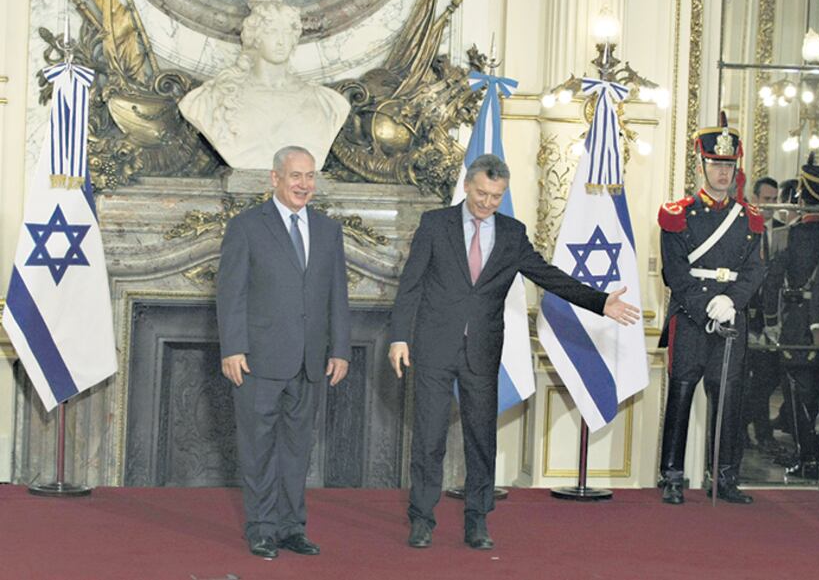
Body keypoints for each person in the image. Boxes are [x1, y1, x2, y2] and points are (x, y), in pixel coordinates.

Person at [388, 154, 640, 550]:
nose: (488, 203)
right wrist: (399, 337)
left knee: (481, 440)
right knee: (429, 438)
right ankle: (421, 519)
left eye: (496, 196)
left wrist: (600, 301)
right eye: (483, 194)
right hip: (434, 347)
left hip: (484, 351)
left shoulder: (511, 233)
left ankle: (477, 521)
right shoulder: (434, 224)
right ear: (468, 185)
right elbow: (411, 285)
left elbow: (548, 276)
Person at [217, 146, 351, 558]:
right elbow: (230, 292)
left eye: (310, 176)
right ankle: (261, 527)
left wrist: (340, 349)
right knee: (258, 448)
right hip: (258, 359)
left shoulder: (329, 230)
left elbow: (336, 296)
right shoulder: (246, 226)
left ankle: (292, 527)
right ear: (274, 179)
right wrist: (233, 347)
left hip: (311, 361)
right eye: (296, 176)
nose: (304, 185)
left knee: (297, 449)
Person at [657, 114, 766, 505]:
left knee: (729, 399)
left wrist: (732, 302)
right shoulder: (678, 214)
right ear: (701, 166)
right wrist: (707, 307)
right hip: (691, 317)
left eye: (728, 165)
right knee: (682, 394)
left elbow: (756, 269)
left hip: (731, 319)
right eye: (716, 164)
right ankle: (671, 474)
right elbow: (675, 271)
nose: (722, 173)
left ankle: (724, 476)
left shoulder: (750, 219)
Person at [180, 0, 350, 170]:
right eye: (272, 32)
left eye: (287, 32)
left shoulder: (328, 103)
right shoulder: (213, 99)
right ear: (255, 37)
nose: (281, 41)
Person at [762, 153, 819, 479]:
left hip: (795, 323)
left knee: (797, 392)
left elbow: (773, 280)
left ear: (801, 195)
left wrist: (771, 321)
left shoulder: (790, 234)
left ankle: (808, 457)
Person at [742, 177, 784, 455]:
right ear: (754, 198)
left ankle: (760, 428)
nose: (771, 204)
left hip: (773, 319)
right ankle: (743, 431)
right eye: (766, 198)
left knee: (768, 379)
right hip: (746, 312)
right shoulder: (744, 227)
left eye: (774, 198)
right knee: (745, 379)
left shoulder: (782, 232)